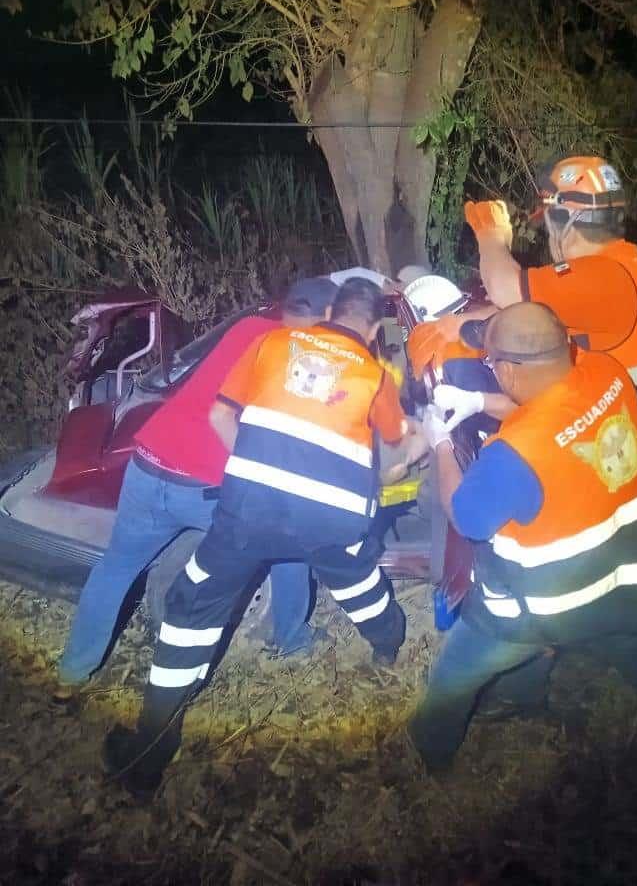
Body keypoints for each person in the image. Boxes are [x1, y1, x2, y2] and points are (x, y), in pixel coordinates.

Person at [104, 278, 410, 797]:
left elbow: (222, 414)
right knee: (359, 583)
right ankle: (388, 644)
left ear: (330, 310)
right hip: (328, 521)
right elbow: (397, 446)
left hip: (249, 511)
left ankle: (148, 760)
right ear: (376, 328)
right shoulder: (377, 376)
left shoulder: (270, 342)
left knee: (191, 608)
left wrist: (251, 472)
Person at [408, 303, 637, 782]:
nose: (491, 373)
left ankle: (427, 757)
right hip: (617, 586)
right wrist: (479, 404)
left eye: (493, 365)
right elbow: (554, 405)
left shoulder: (516, 453)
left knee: (455, 677)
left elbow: (467, 516)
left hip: (539, 608)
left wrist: (439, 443)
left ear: (512, 370)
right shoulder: (608, 373)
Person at [56, 278, 339, 699]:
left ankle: (71, 675)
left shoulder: (246, 329)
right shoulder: (303, 356)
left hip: (147, 463)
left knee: (115, 568)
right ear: (327, 318)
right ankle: (291, 637)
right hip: (203, 485)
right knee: (288, 542)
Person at [463, 157, 637, 479]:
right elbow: (534, 310)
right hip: (626, 444)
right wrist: (458, 324)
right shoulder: (625, 262)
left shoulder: (606, 277)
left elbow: (504, 288)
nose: (549, 234)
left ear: (567, 217)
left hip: (619, 461)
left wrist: (490, 234)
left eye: (549, 220)